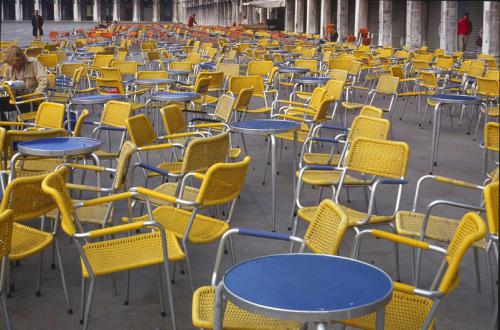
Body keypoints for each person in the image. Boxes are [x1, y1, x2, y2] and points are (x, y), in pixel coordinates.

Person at [0, 46, 48, 122]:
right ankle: (6, 130)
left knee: (21, 108)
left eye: (15, 64)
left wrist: (36, 95)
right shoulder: (10, 67)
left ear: (21, 59)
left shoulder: (33, 63)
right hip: (17, 98)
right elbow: (6, 81)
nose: (14, 67)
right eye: (12, 65)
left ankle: (21, 129)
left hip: (32, 100)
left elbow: (44, 81)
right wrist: (5, 85)